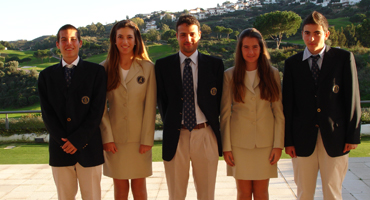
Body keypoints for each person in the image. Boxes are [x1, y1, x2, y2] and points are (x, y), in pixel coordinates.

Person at [283, 11, 361, 200]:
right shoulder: (292, 64)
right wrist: (288, 140)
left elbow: (353, 99)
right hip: (302, 140)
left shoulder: (343, 59)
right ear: (302, 34)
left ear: (326, 34)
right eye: (307, 33)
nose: (311, 38)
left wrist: (352, 135)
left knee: (332, 192)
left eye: (317, 33)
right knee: (304, 193)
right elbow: (288, 105)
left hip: (336, 138)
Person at [155, 15, 224, 200]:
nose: (188, 39)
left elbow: (219, 103)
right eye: (183, 34)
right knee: (176, 195)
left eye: (192, 34)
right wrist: (173, 124)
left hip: (205, 134)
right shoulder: (162, 66)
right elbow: (162, 102)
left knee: (207, 194)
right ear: (176, 36)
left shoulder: (215, 65)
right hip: (176, 136)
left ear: (199, 35)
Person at [38, 24, 106, 200]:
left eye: (73, 39)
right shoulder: (45, 76)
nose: (69, 43)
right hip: (60, 150)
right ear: (57, 44)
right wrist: (65, 142)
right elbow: (47, 114)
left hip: (89, 149)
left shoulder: (96, 72)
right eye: (63, 39)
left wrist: (77, 140)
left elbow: (97, 111)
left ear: (80, 43)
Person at [220, 28, 285, 200]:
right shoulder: (230, 75)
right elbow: (225, 114)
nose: (250, 52)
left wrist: (278, 145)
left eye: (255, 47)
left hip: (266, 145)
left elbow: (278, 113)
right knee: (243, 193)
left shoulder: (273, 74)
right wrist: (226, 147)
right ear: (240, 49)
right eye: (246, 47)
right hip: (239, 145)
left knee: (262, 193)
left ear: (261, 48)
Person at [99, 20, 156, 200]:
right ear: (114, 40)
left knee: (139, 188)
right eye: (120, 37)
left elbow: (150, 106)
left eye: (129, 37)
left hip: (140, 140)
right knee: (120, 189)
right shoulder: (104, 68)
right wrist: (107, 138)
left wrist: (147, 139)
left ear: (136, 40)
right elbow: (101, 109)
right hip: (114, 141)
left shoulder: (148, 68)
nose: (125, 41)